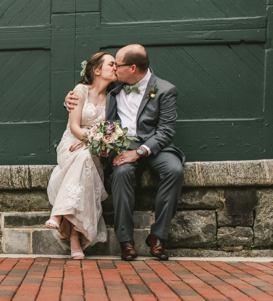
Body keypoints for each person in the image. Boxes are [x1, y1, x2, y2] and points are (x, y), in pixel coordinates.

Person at [65, 44, 185, 261]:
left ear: (131, 68)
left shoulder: (165, 90)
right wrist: (70, 99)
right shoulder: (114, 87)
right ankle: (125, 241)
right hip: (123, 146)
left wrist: (139, 151)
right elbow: (89, 91)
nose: (114, 69)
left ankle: (157, 237)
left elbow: (166, 131)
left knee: (174, 171)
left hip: (156, 146)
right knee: (121, 173)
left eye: (117, 65)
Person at [45, 52, 117, 260]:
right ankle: (73, 237)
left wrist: (94, 142)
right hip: (71, 143)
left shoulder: (114, 96)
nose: (115, 68)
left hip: (91, 147)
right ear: (96, 70)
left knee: (86, 157)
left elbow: (112, 130)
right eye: (111, 64)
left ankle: (59, 216)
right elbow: (75, 127)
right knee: (83, 156)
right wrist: (90, 139)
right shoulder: (79, 91)